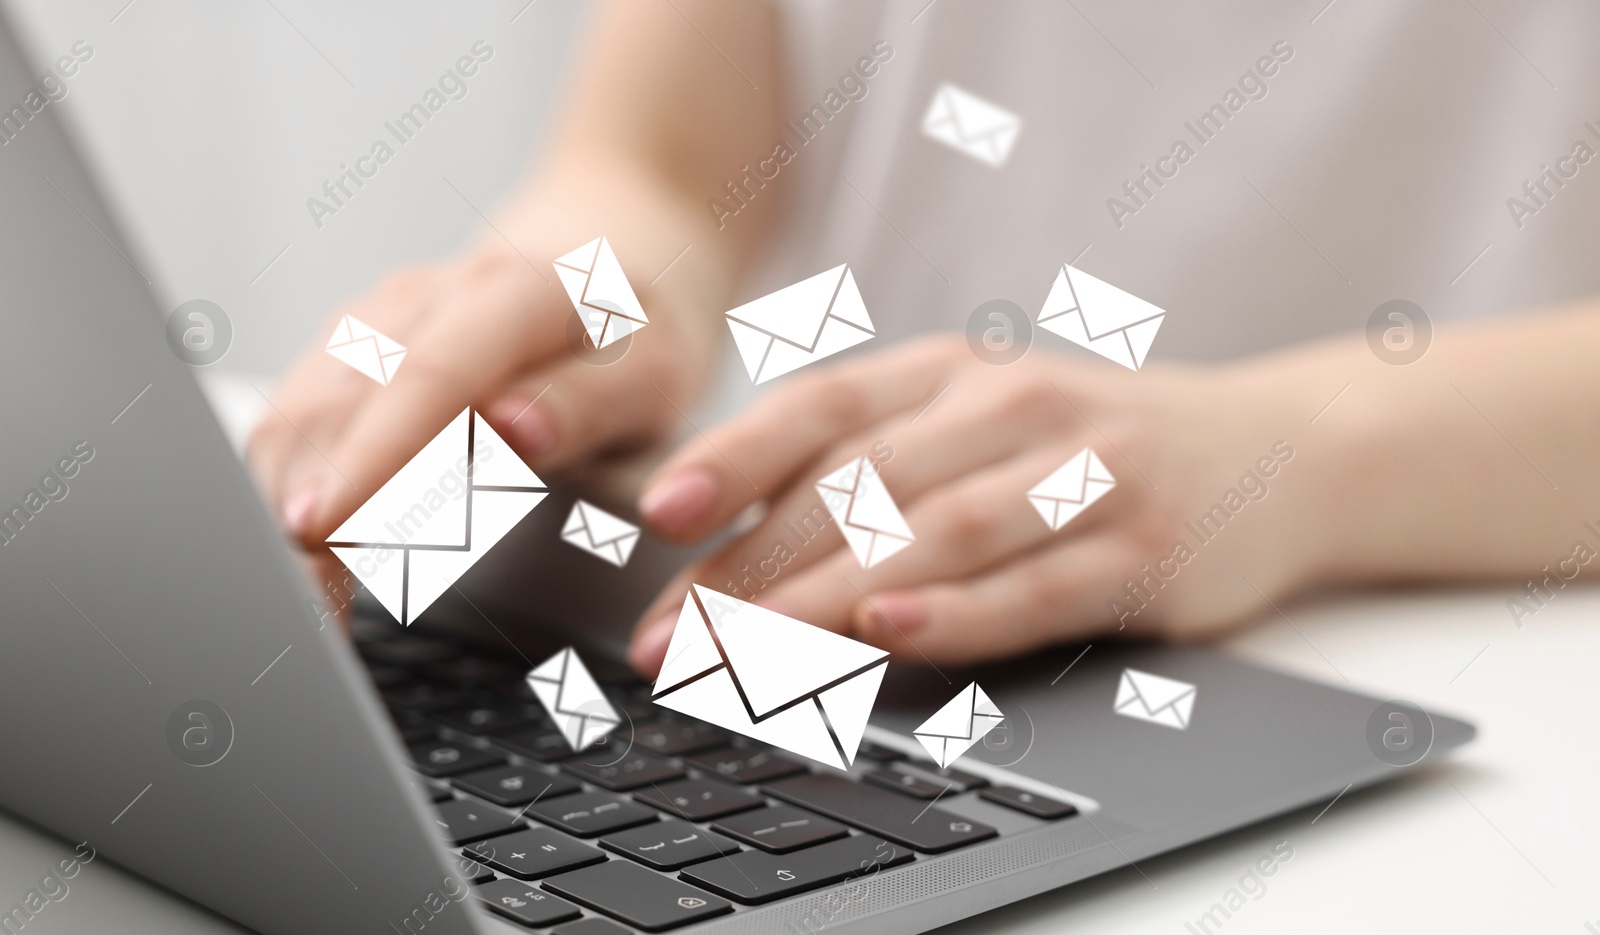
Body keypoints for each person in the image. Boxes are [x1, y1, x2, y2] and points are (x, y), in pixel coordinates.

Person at [248, 0, 1600, 677]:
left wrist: (1277, 457)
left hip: (1445, 662)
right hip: (837, 617)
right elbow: (663, 158)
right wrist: (583, 288)